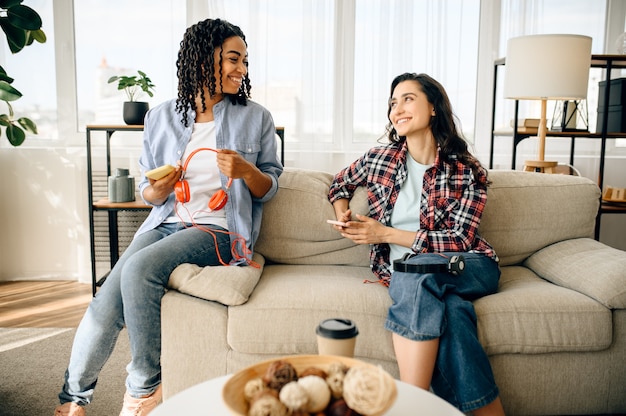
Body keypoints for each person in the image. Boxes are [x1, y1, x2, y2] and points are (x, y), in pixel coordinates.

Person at [54, 18, 282, 416]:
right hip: (164, 221)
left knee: (139, 269)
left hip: (221, 230)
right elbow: (148, 191)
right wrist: (156, 189)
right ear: (202, 58)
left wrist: (246, 171)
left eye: (244, 61)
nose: (241, 70)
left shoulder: (256, 117)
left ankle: (144, 388)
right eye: (233, 58)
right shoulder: (160, 117)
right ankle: (74, 399)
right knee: (105, 300)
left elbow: (270, 187)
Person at [328, 73, 505, 415]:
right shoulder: (379, 159)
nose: (398, 108)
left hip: (470, 265)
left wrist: (386, 234)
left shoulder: (465, 170)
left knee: (413, 268)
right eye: (394, 102)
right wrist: (344, 213)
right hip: (413, 275)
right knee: (452, 315)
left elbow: (460, 238)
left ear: (434, 107)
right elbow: (338, 185)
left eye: (408, 99)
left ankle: (412, 404)